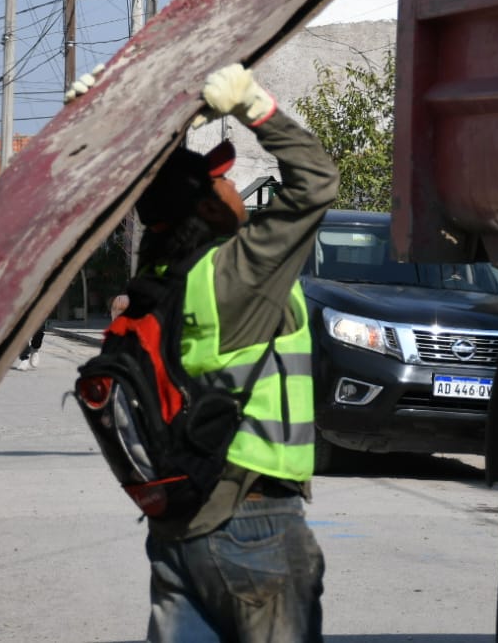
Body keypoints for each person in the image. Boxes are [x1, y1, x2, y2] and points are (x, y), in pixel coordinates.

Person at [104, 62, 337, 643]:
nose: (236, 188)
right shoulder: (236, 274)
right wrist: (253, 105)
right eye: (223, 181)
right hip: (253, 520)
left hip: (179, 526)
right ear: (206, 208)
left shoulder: (154, 281)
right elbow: (316, 181)